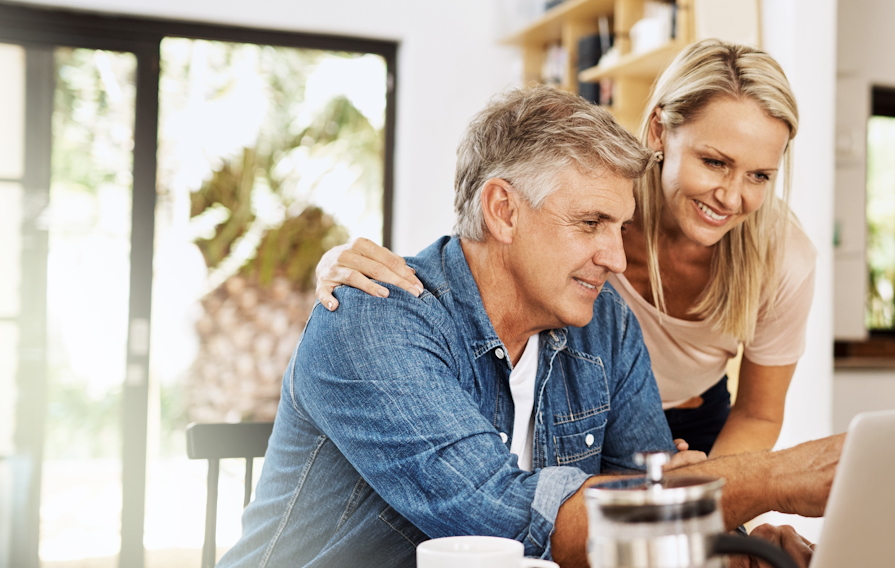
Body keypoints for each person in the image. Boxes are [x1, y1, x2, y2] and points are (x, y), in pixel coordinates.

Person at [218, 86, 839, 568]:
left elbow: (654, 496)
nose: (617, 259)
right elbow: (508, 516)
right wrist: (777, 478)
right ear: (504, 210)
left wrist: (736, 545)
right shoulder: (376, 317)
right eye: (591, 223)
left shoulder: (606, 326)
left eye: (620, 228)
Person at [315, 40, 816, 457]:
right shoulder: (601, 186)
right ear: (661, 130)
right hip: (570, 396)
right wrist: (349, 273)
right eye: (713, 162)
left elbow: (758, 412)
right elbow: (484, 247)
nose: (731, 196)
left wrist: (720, 501)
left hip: (692, 424)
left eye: (760, 176)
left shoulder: (782, 259)